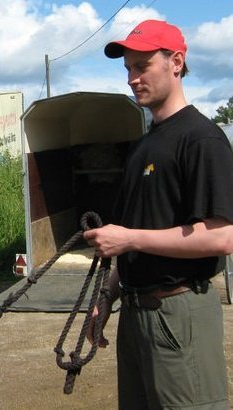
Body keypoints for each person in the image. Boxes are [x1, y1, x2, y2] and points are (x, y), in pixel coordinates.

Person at [84, 19, 233, 409]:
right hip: (135, 316)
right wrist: (107, 295)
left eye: (142, 66)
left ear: (176, 62)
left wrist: (128, 239)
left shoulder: (202, 139)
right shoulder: (142, 146)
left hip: (178, 314)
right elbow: (135, 234)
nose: (133, 79)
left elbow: (220, 237)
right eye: (129, 69)